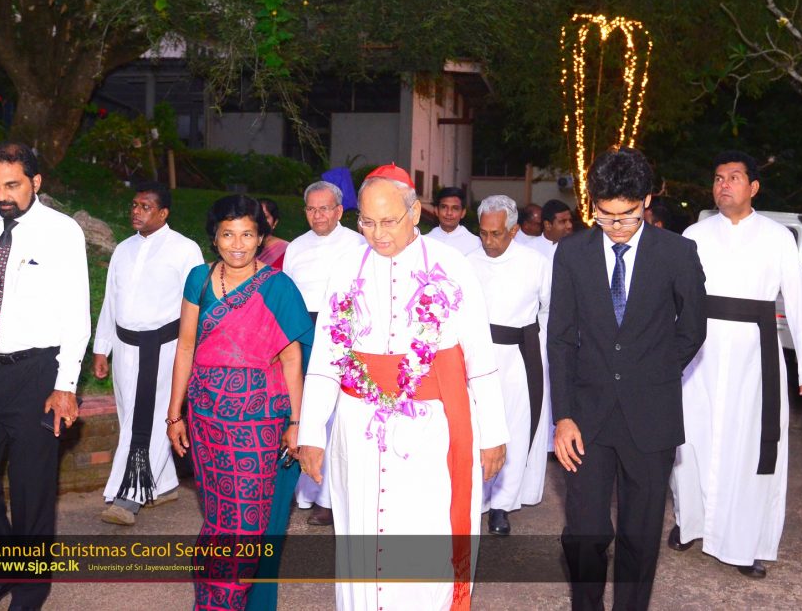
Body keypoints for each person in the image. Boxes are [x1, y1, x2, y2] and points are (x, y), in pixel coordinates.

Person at [297, 164, 508, 611]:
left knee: (422, 532)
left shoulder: (452, 266)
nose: (377, 234)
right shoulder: (345, 268)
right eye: (367, 222)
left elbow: (479, 356)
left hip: (428, 429)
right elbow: (327, 357)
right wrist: (311, 432)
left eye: (389, 221)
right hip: (358, 428)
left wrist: (493, 434)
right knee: (360, 531)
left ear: (414, 214)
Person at [548, 146, 707, 611]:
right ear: (592, 205)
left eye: (628, 215)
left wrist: (654, 373)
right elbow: (560, 338)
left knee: (640, 535)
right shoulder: (571, 253)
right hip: (587, 417)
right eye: (605, 215)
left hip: (651, 415)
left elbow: (693, 328)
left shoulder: (677, 253)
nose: (616, 226)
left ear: (647, 202)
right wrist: (563, 416)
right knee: (585, 533)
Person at [0, 142, 90, 611]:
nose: (1, 196)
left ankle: (30, 591)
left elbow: (77, 313)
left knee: (31, 489)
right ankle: (2, 571)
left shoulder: (62, 231)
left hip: (37, 373)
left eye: (12, 185)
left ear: (35, 181)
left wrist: (66, 386)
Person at [668, 150, 802, 579]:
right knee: (690, 439)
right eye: (718, 178)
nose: (723, 185)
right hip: (699, 355)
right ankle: (690, 523)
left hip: (754, 358)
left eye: (734, 178)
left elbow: (797, 301)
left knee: (750, 446)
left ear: (754, 187)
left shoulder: (777, 238)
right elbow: (674, 297)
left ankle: (743, 544)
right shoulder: (694, 234)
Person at [166, 194, 313, 611]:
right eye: (228, 234)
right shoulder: (198, 278)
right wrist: (175, 415)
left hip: (257, 420)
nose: (237, 244)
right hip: (206, 415)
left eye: (247, 234)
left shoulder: (278, 287)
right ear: (214, 238)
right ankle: (209, 600)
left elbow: (292, 359)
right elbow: (185, 348)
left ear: (261, 238)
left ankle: (225, 603)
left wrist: (296, 422)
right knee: (217, 520)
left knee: (247, 524)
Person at [93, 181, 203, 525]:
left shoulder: (185, 250)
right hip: (124, 346)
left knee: (150, 420)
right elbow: (111, 300)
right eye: (134, 205)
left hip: (163, 349)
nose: (136, 212)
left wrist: (193, 351)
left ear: (163, 213)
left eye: (145, 207)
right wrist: (102, 348)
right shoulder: (123, 249)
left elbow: (197, 304)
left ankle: (129, 495)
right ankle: (164, 484)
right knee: (130, 416)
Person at [468, 195, 551, 537]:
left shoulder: (536, 263)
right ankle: (476, 497)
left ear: (514, 231)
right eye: (483, 233)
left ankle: (502, 505)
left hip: (518, 357)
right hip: (476, 358)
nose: (489, 241)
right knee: (477, 428)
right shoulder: (468, 262)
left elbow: (548, 309)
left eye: (497, 234)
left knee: (514, 427)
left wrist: (536, 347)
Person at [282, 180, 365, 527]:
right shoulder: (296, 247)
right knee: (301, 409)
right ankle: (299, 491)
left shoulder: (358, 244)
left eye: (325, 208)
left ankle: (329, 498)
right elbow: (286, 294)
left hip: (342, 334)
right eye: (311, 209)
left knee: (333, 417)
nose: (318, 215)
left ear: (339, 211)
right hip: (302, 332)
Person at [426, 186, 481, 255]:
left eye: (455, 208)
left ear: (463, 213)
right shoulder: (425, 240)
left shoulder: (475, 243)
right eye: (444, 207)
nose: (449, 213)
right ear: (436, 210)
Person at [257, 197, 289, 268]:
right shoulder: (239, 246)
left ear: (275, 222)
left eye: (265, 217)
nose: (260, 221)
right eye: (256, 217)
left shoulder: (286, 250)